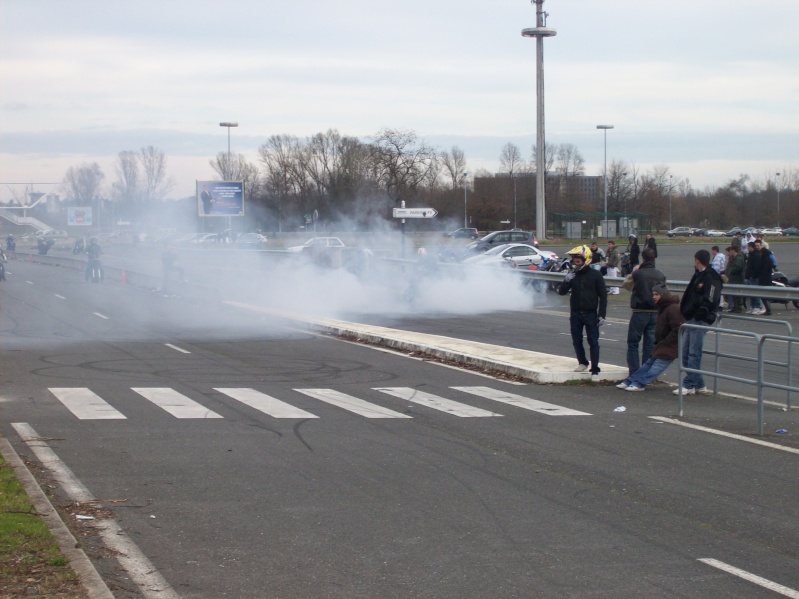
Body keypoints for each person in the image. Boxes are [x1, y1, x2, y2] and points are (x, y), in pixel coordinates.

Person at [616, 283, 684, 391]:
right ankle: (632, 380)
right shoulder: (664, 307)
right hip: (663, 344)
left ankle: (639, 383)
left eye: (657, 294)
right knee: (649, 364)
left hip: (670, 344)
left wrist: (666, 341)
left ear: (663, 295)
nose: (654, 297)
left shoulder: (673, 308)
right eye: (653, 294)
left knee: (657, 366)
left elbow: (678, 328)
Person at [675, 249, 722, 395]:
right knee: (686, 352)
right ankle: (699, 384)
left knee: (693, 353)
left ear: (697, 260)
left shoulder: (711, 277)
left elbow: (711, 298)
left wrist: (701, 312)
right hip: (691, 318)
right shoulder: (698, 276)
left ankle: (689, 384)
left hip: (699, 319)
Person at [557, 245, 608, 379]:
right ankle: (582, 362)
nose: (575, 261)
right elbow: (561, 292)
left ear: (586, 259)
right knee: (576, 340)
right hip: (575, 314)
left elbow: (603, 296)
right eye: (574, 259)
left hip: (591, 314)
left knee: (593, 341)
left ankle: (595, 368)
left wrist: (602, 315)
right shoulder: (572, 275)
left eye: (578, 258)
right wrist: (566, 280)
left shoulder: (596, 275)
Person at [622, 247, 666, 375]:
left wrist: (634, 271)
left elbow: (627, 285)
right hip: (655, 311)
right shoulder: (660, 275)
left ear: (643, 259)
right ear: (654, 259)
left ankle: (634, 372)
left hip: (639, 310)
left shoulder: (637, 274)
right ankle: (646, 373)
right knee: (650, 344)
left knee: (633, 343)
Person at [744, 241, 764, 314]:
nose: (747, 248)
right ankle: (752, 307)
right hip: (749, 276)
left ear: (750, 247)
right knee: (751, 293)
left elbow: (757, 267)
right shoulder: (750, 254)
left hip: (754, 277)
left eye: (748, 246)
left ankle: (757, 307)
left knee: (755, 293)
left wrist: (753, 275)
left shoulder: (756, 255)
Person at [754, 238, 773, 316]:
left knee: (764, 295)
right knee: (765, 296)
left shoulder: (764, 259)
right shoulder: (768, 257)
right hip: (766, 279)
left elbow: (762, 269)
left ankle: (768, 309)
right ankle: (768, 309)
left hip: (764, 279)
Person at [725, 245, 745, 313]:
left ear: (733, 250)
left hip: (737, 279)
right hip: (733, 279)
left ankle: (738, 307)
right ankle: (735, 307)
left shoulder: (739, 258)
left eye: (730, 251)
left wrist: (730, 271)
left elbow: (737, 268)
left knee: (737, 295)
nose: (729, 252)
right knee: (733, 294)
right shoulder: (734, 258)